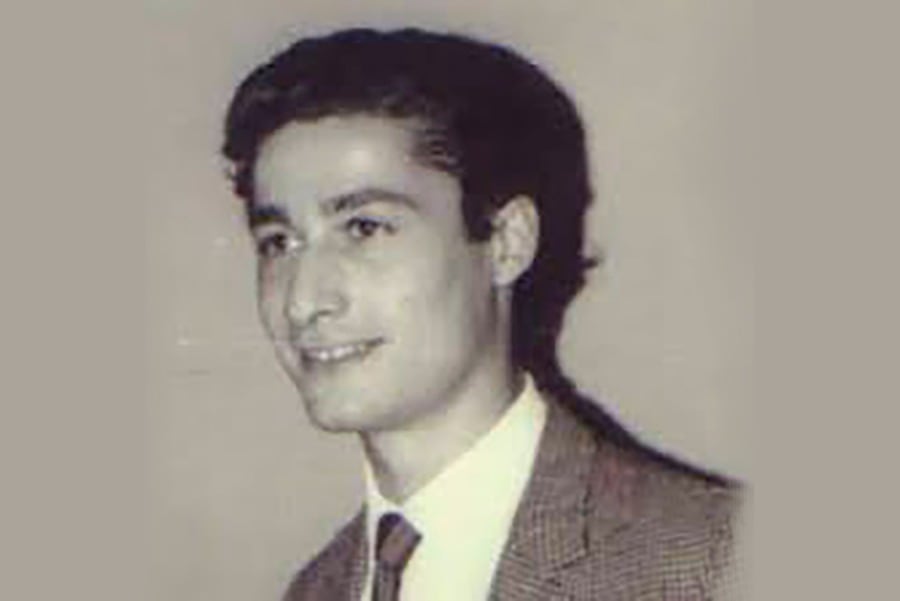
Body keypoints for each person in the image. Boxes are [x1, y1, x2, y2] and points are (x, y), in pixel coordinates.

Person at [221, 27, 741, 601]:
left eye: (364, 228)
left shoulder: (715, 563)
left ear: (506, 243)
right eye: (278, 242)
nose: (302, 300)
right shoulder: (315, 589)